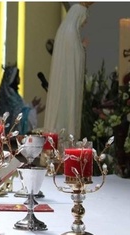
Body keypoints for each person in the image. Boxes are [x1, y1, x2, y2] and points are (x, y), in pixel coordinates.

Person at [43, 3, 91, 139]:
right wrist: (83, 48)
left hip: (63, 81)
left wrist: (80, 48)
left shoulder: (66, 30)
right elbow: (75, 58)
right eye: (84, 18)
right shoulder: (71, 32)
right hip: (67, 83)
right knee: (66, 111)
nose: (85, 22)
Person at [0, 65, 44, 134]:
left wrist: (31, 105)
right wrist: (35, 111)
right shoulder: (8, 96)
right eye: (17, 76)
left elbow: (21, 109)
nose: (19, 79)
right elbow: (18, 117)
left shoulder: (14, 95)